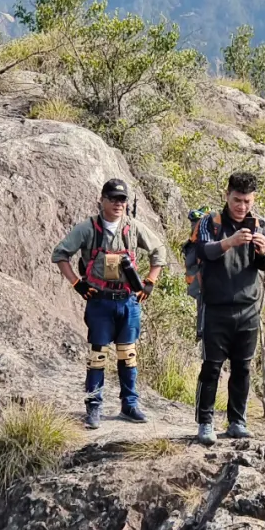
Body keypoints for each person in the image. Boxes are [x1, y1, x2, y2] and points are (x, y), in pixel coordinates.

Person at [52, 177, 166, 430]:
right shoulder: (87, 229)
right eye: (113, 199)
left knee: (128, 355)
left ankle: (130, 405)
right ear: (101, 200)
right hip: (100, 301)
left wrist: (150, 282)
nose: (118, 204)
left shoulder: (133, 227)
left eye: (122, 199)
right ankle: (93, 407)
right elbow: (60, 254)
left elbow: (159, 250)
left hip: (128, 301)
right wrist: (76, 283)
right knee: (97, 356)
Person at [191, 170, 265, 446]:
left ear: (254, 199)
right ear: (227, 195)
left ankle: (237, 421)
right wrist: (230, 242)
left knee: (243, 367)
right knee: (211, 367)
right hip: (216, 308)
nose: (242, 206)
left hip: (249, 308)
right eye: (237, 200)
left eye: (247, 201)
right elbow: (204, 251)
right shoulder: (210, 222)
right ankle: (205, 422)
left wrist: (264, 252)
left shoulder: (261, 224)